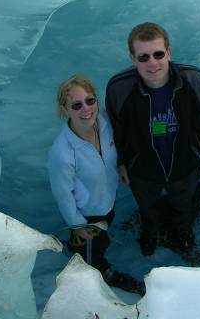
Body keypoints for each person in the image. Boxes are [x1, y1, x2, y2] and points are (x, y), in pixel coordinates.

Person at [105, 22, 200, 256]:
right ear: (133, 58)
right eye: (143, 57)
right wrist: (121, 162)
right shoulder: (120, 88)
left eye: (158, 54)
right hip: (143, 168)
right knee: (147, 207)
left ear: (168, 52)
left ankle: (182, 232)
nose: (152, 63)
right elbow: (116, 130)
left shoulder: (192, 79)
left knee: (183, 204)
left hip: (185, 162)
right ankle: (150, 231)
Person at [48, 75, 144, 295]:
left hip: (106, 201)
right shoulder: (63, 153)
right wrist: (77, 225)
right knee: (93, 250)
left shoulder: (105, 124)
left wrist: (120, 165)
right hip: (87, 215)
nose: (86, 109)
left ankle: (78, 249)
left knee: (103, 233)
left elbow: (115, 149)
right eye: (76, 105)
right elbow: (63, 194)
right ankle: (98, 273)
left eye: (90, 101)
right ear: (65, 110)